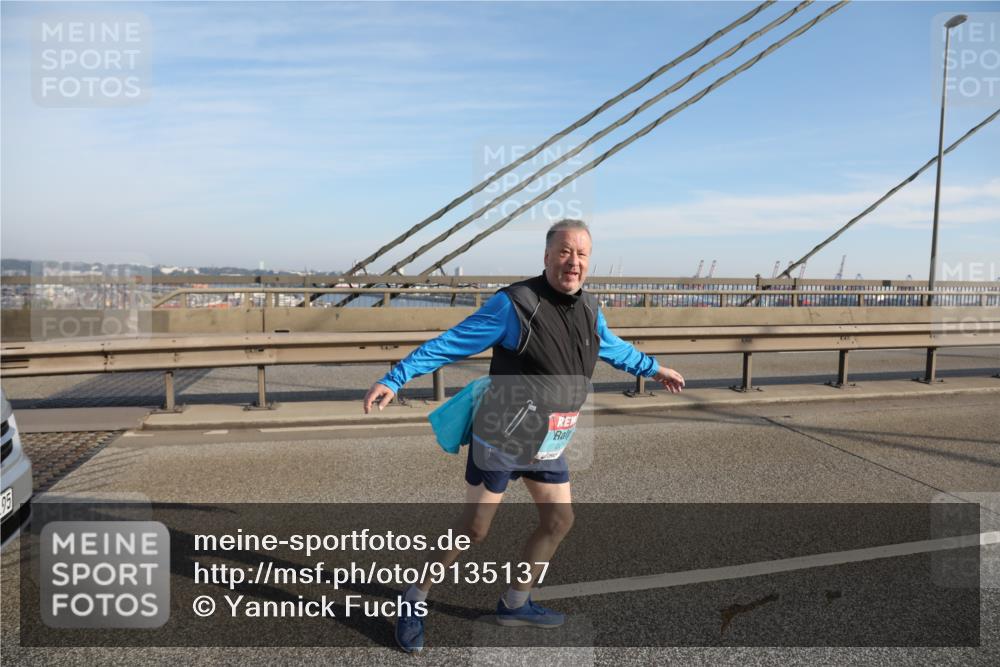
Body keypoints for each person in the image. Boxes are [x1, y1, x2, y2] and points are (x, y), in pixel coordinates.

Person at [363, 219, 685, 653]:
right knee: (473, 531)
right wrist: (397, 377)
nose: (574, 262)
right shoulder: (515, 304)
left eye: (582, 254)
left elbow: (612, 347)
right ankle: (413, 599)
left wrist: (654, 368)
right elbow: (452, 341)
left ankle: (515, 603)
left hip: (548, 439)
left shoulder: (590, 308)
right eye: (565, 252)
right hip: (501, 435)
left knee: (558, 520)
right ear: (548, 256)